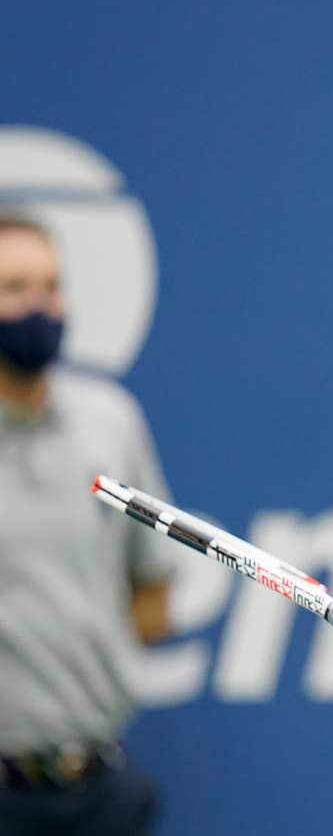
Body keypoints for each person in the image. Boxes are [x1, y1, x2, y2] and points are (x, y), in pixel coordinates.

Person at [0, 214, 174, 835]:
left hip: (100, 786)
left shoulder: (111, 421)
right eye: (15, 288)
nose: (38, 306)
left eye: (51, 286)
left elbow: (153, 595)